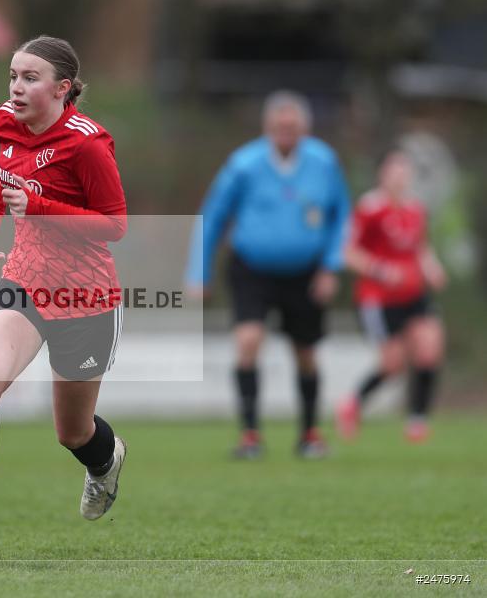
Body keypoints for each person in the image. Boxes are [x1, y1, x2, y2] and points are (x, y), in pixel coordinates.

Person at [0, 35, 128, 547]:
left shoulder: (87, 143)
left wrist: (36, 211)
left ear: (63, 89)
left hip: (85, 298)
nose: (16, 87)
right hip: (25, 282)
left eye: (29, 78)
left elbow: (114, 225)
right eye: (13, 75)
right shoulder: (6, 120)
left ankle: (106, 461)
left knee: (73, 433)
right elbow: (9, 169)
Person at [185, 90, 351, 459]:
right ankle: (250, 436)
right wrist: (199, 271)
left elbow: (342, 216)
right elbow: (213, 217)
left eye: (293, 126)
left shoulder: (323, 163)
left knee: (305, 352)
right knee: (248, 341)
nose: (286, 132)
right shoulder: (244, 164)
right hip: (252, 269)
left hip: (306, 272)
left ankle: (309, 434)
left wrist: (331, 266)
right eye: (279, 126)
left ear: (304, 127)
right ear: (268, 127)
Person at [337, 149, 447, 443]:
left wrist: (432, 267)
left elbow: (420, 247)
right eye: (394, 170)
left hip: (413, 294)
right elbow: (348, 252)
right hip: (379, 298)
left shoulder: (415, 209)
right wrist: (380, 270)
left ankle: (417, 421)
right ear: (382, 174)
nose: (400, 176)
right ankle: (353, 404)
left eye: (405, 171)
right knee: (393, 365)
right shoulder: (369, 208)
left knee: (430, 348)